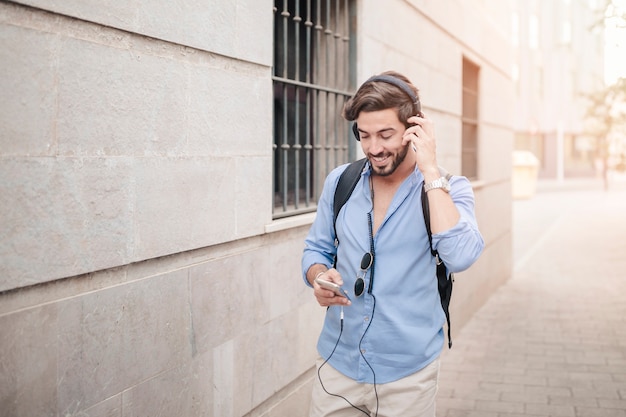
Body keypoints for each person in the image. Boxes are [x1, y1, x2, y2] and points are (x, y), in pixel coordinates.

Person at [301, 71, 484, 417]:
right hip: (338, 366)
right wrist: (318, 276)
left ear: (414, 130)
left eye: (386, 135)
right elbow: (316, 249)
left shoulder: (449, 188)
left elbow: (460, 255)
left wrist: (430, 171)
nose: (374, 148)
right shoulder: (340, 182)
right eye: (365, 135)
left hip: (408, 376)